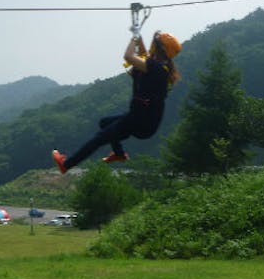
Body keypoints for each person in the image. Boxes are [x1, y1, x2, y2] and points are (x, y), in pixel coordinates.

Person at [52, 30, 182, 174]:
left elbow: (129, 56)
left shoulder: (156, 68)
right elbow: (144, 56)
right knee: (104, 123)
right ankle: (119, 154)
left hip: (140, 121)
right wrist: (139, 40)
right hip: (143, 119)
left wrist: (133, 39)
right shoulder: (160, 67)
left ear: (159, 48)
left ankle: (66, 164)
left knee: (99, 138)